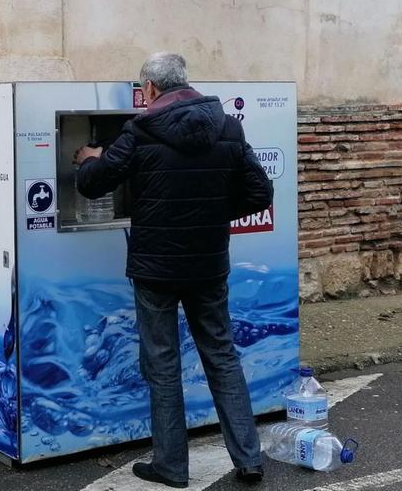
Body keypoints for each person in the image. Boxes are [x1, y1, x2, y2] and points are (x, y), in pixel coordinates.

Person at [74, 52, 273, 488]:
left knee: (162, 364)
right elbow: (260, 192)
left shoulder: (140, 131)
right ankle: (249, 458)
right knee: (221, 356)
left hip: (156, 269)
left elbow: (93, 184)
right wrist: (215, 213)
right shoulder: (227, 126)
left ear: (148, 89)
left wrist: (89, 157)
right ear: (185, 83)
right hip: (208, 265)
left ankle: (170, 465)